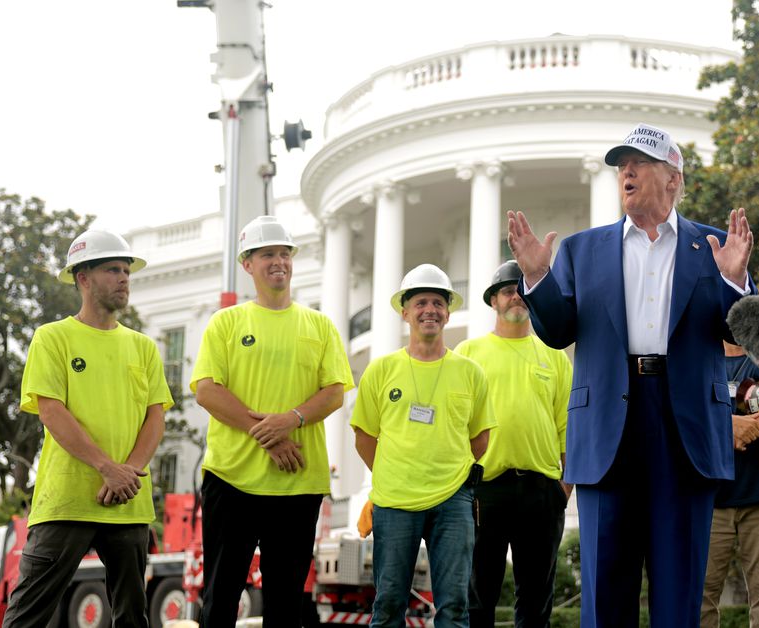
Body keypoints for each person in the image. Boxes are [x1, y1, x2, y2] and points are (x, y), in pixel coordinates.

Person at [507, 122, 754, 627]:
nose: (627, 173)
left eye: (639, 163)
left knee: (679, 593)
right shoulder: (581, 249)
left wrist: (734, 281)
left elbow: (738, 331)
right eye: (622, 165)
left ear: (673, 178)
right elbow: (557, 332)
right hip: (606, 425)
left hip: (685, 426)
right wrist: (536, 277)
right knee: (604, 595)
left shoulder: (714, 245)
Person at [191, 215, 355, 627]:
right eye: (268, 254)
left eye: (285, 253)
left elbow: (335, 392)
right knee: (220, 600)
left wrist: (292, 419)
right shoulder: (226, 323)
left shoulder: (319, 326)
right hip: (232, 480)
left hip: (298, 483)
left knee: (285, 605)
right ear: (247, 264)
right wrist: (269, 434)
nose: (279, 261)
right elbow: (207, 390)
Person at [4, 230, 172, 628]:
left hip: (128, 503)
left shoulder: (144, 347)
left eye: (126, 271)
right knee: (27, 617)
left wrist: (127, 472)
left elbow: (155, 417)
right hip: (66, 501)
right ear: (83, 277)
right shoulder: (53, 338)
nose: (124, 278)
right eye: (112, 270)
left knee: (132, 619)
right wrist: (106, 468)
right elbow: (51, 412)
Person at [352, 263, 497, 628]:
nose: (429, 310)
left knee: (455, 606)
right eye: (420, 303)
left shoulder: (471, 373)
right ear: (405, 312)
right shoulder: (381, 370)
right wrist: (395, 471)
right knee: (388, 604)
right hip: (394, 502)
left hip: (454, 501)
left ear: (448, 313)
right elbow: (364, 436)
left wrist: (447, 469)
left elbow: (481, 438)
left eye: (437, 303)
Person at [456, 260, 574, 628]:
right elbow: (454, 424)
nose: (516, 297)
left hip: (542, 490)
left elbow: (567, 426)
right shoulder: (467, 353)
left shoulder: (554, 356)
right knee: (478, 596)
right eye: (508, 291)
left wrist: (563, 488)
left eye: (522, 290)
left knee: (536, 600)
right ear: (493, 300)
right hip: (483, 489)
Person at [701, 341, 759, 628]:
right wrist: (727, 426)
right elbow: (679, 407)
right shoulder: (697, 357)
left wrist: (755, 425)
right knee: (699, 598)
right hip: (708, 498)